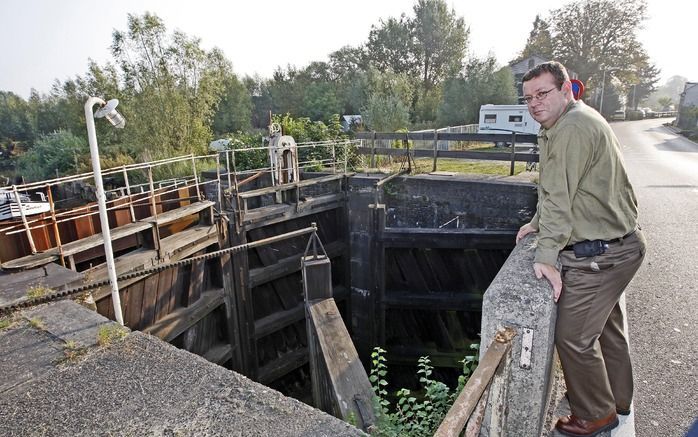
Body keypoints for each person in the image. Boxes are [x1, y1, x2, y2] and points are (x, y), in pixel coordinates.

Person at [516, 61, 646, 437]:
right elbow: (561, 188)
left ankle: (596, 415)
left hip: (603, 255)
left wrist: (546, 256)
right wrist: (537, 223)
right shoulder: (572, 120)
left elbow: (559, 196)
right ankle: (619, 399)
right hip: (624, 245)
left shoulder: (570, 129)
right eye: (528, 98)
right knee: (607, 329)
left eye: (542, 94)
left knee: (572, 336)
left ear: (566, 90)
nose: (534, 104)